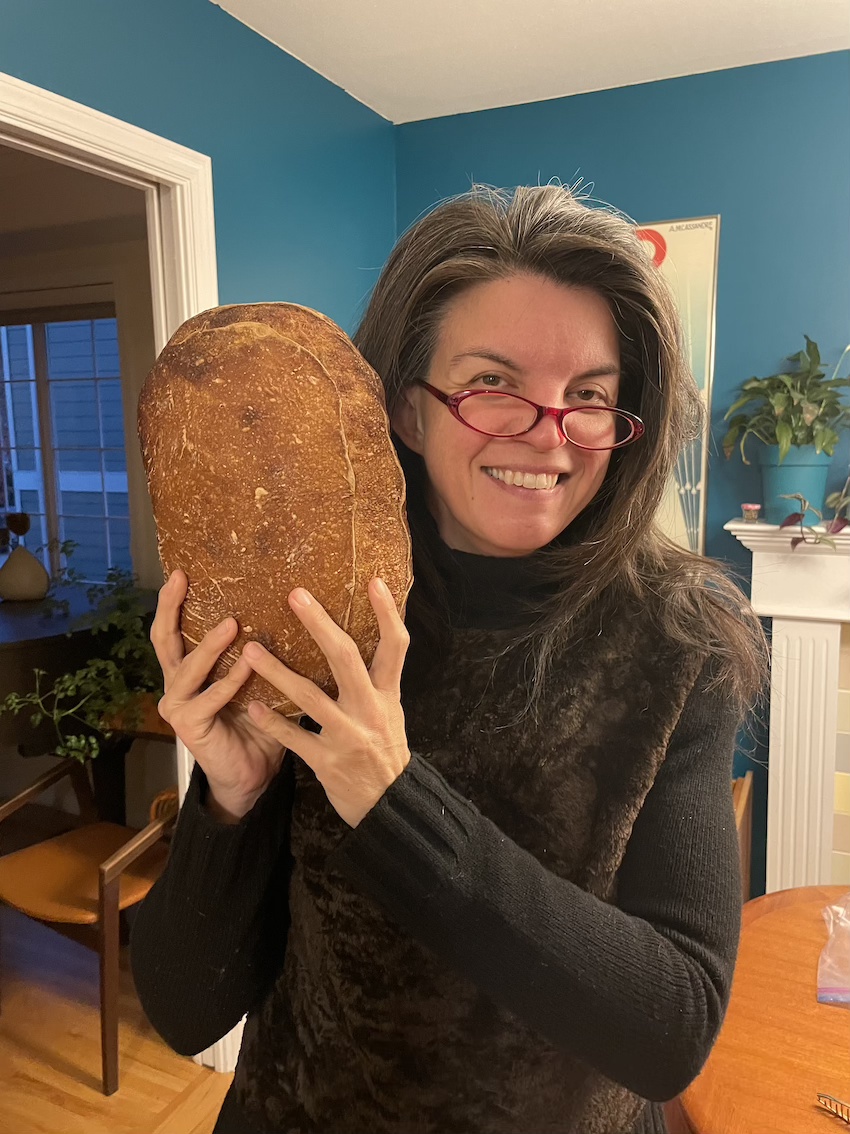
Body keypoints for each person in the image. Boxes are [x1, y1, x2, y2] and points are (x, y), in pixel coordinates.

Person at [130, 184, 767, 1134]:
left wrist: (393, 801)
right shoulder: (324, 625)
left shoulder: (682, 643)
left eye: (589, 396)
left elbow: (670, 1029)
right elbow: (185, 1011)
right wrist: (230, 799)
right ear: (407, 409)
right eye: (494, 384)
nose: (549, 433)